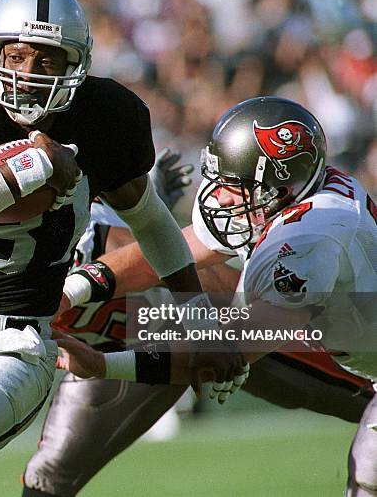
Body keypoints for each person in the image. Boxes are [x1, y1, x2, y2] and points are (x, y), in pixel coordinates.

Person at [0, 0, 247, 497]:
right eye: (15, 54)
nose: (26, 73)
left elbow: (154, 223)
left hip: (15, 347)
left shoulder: (103, 119)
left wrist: (199, 319)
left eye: (46, 60)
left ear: (77, 63)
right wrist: (33, 164)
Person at [53, 96, 377, 496]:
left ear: (283, 183)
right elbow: (166, 256)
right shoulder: (302, 195)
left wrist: (103, 364)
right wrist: (69, 291)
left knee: (368, 474)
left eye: (236, 185)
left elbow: (222, 355)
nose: (220, 196)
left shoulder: (309, 241)